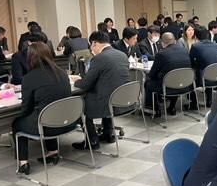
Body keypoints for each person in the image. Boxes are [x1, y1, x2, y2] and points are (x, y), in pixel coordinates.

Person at [12, 42, 73, 175]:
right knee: (48, 112)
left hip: (47, 126)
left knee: (17, 123)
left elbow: (26, 108)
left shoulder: (29, 78)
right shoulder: (61, 72)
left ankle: (23, 162)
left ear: (30, 57)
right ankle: (53, 151)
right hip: (68, 122)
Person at [72, 31, 130, 149]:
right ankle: (108, 133)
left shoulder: (99, 58)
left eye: (91, 46)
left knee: (80, 104)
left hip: (106, 101)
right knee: (105, 92)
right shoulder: (122, 55)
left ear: (94, 43)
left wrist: (76, 81)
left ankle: (92, 141)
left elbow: (85, 84)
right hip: (121, 98)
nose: (91, 50)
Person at [145, 32, 192, 116]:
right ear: (174, 41)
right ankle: (172, 107)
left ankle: (154, 109)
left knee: (148, 83)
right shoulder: (184, 50)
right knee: (175, 79)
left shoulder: (161, 54)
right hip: (185, 85)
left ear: (162, 42)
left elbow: (152, 74)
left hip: (168, 87)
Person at [191, 28, 217, 108]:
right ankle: (209, 101)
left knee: (190, 78)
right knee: (208, 70)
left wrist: (197, 64)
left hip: (204, 77)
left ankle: (193, 103)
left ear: (196, 36)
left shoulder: (195, 46)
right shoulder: (214, 45)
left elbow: (191, 61)